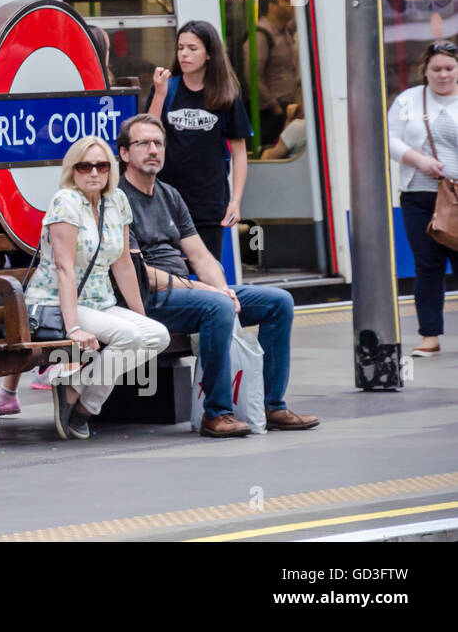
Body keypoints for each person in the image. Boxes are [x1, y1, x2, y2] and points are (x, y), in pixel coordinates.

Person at [117, 113, 320, 436]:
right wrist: (210, 293)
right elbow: (138, 273)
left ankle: (270, 406)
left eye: (158, 143)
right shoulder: (117, 200)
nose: (153, 150)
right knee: (218, 307)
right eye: (143, 143)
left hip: (187, 292)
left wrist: (222, 289)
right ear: (125, 153)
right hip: (148, 299)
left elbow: (200, 255)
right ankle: (217, 412)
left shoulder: (170, 195)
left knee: (278, 301)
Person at [0, 136, 168, 442]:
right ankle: (85, 403)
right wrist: (73, 326)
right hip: (55, 301)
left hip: (101, 301)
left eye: (101, 165)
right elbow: (64, 268)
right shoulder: (65, 201)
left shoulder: (116, 200)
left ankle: (78, 393)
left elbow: (123, 263)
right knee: (127, 337)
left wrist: (140, 315)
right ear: (72, 169)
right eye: (85, 166)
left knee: (157, 335)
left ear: (110, 169)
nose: (94, 172)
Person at [148, 20, 252, 262]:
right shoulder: (167, 88)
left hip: (209, 202)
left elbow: (239, 153)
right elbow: (148, 135)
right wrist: (160, 94)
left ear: (209, 54)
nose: (184, 54)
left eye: (192, 48)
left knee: (207, 271)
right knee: (169, 273)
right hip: (166, 201)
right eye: (180, 47)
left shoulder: (226, 95)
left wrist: (235, 202)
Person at [387, 40, 458, 357]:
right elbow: (389, 138)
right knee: (427, 265)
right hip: (419, 195)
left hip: (457, 195)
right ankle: (429, 335)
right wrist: (419, 160)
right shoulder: (409, 100)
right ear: (425, 71)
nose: (443, 75)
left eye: (450, 68)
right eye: (437, 69)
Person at [244, 0, 300, 146]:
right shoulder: (260, 35)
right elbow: (253, 77)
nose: (292, 4)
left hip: (287, 107)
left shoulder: (285, 31)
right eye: (286, 0)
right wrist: (274, 107)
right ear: (271, 6)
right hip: (271, 113)